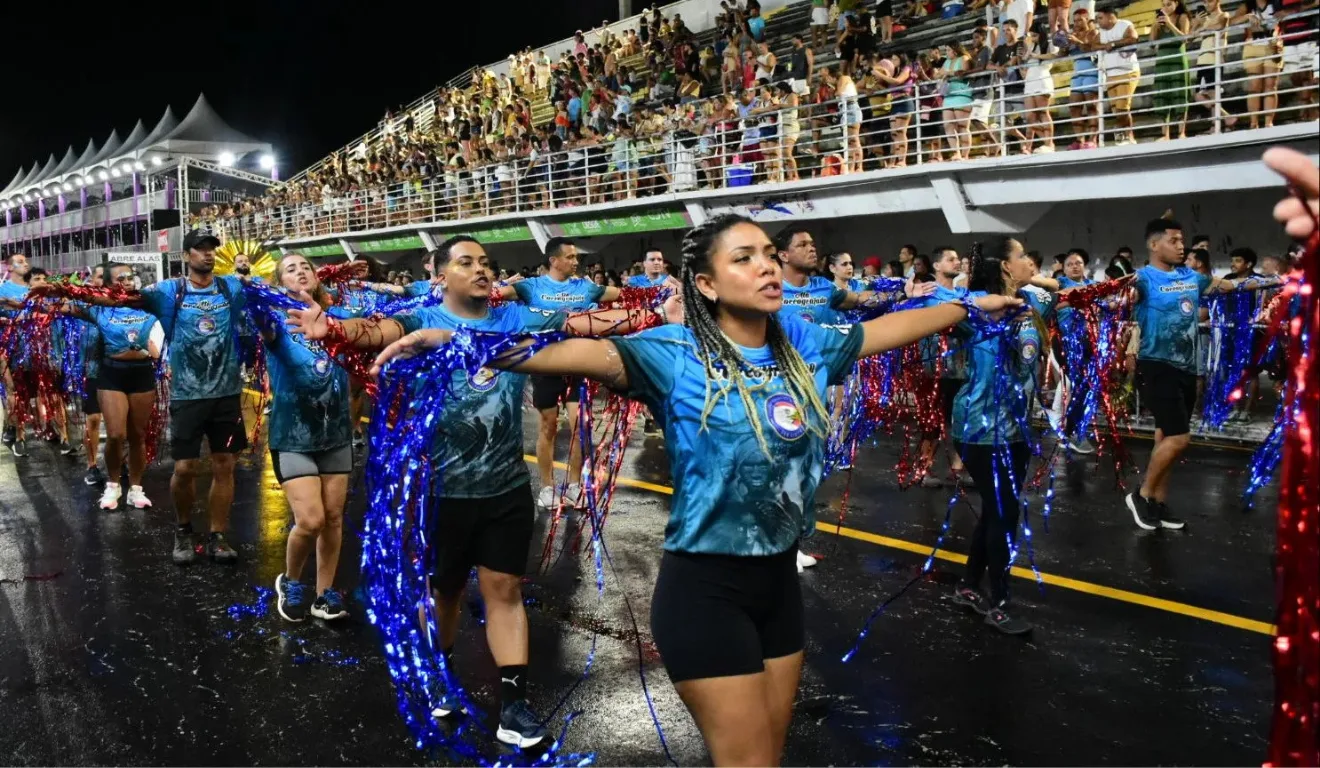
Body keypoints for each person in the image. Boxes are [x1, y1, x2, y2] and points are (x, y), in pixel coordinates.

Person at [361, 215, 1019, 766]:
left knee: (769, 754)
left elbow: (882, 332)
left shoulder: (806, 343)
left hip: (778, 592)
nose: (766, 266)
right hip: (705, 592)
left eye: (768, 253)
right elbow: (564, 352)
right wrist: (457, 340)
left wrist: (967, 305)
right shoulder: (671, 352)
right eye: (745, 258)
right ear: (704, 283)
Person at [288, 235, 666, 748]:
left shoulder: (515, 321)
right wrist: (333, 329)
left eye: (486, 262)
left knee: (504, 592)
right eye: (466, 262)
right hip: (441, 492)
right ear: (441, 275)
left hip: (506, 489)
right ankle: (437, 676)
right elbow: (375, 332)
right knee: (444, 593)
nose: (481, 270)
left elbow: (581, 325)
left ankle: (514, 705)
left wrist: (655, 310)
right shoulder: (422, 321)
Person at [1124, 218, 1280, 531]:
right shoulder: (1142, 279)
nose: (1182, 246)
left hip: (1187, 366)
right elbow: (1115, 298)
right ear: (1154, 245)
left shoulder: (1191, 277)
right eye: (1174, 241)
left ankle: (1157, 502)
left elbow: (1233, 285)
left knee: (1165, 435)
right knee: (1180, 437)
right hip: (1156, 364)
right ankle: (1140, 496)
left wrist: (1280, 281)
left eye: (1183, 241)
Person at [945, 236, 1053, 635]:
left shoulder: (1035, 300)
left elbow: (1068, 295)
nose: (1030, 261)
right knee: (1004, 513)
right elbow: (932, 308)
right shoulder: (974, 310)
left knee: (997, 509)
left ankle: (970, 587)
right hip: (978, 427)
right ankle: (1000, 603)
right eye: (1023, 255)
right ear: (1006, 267)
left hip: (1016, 428)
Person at [495, 237, 629, 509]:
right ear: (553, 260)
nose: (576, 262)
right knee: (549, 425)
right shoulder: (530, 287)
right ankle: (546, 488)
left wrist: (662, 291)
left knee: (581, 425)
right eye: (570, 257)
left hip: (577, 364)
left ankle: (574, 484)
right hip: (545, 364)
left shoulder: (586, 288)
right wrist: (499, 285)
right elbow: (491, 297)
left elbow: (624, 296)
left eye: (576, 257)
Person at [262, 253, 354, 623]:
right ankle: (292, 580)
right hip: (293, 436)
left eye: (306, 267)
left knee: (333, 519)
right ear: (280, 282)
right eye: (290, 269)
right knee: (311, 520)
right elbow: (258, 317)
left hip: (335, 434)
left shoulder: (339, 320)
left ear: (317, 277)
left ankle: (324, 593)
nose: (300, 271)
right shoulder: (275, 323)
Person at [63, 264, 164, 510]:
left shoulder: (148, 304)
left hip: (142, 375)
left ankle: (136, 489)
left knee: (138, 435)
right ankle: (113, 485)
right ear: (108, 284)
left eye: (131, 277)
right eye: (121, 278)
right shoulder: (99, 308)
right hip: (111, 375)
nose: (128, 281)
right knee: (116, 435)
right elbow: (64, 305)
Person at [918, 247, 969, 486]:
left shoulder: (965, 293)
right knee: (933, 420)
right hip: (933, 367)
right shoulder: (927, 292)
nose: (956, 262)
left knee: (962, 417)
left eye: (958, 259)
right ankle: (924, 468)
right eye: (951, 259)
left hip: (963, 366)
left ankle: (959, 469)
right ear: (937, 266)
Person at [1056, 249, 1097, 453]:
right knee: (1080, 387)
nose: (1074, 266)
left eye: (1078, 263)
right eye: (1070, 263)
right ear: (1063, 268)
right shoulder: (1061, 284)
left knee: (1089, 388)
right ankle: (1071, 432)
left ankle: (1075, 431)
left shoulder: (1092, 286)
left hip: (1092, 342)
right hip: (1070, 343)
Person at [1, 253, 34, 457]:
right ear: (10, 267)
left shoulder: (35, 288)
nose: (25, 264)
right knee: (13, 390)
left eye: (26, 261)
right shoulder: (3, 290)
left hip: (34, 347)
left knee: (31, 393)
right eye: (20, 262)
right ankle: (18, 434)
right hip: (9, 346)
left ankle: (12, 426)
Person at [1097, 8, 1141, 145]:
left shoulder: (1124, 24)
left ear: (1110, 17)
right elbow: (1092, 45)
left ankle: (1126, 134)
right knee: (1117, 109)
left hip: (1127, 70)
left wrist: (1114, 44)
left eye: (1100, 18)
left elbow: (1133, 38)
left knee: (1123, 107)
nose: (1098, 21)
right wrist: (1106, 46)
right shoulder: (1102, 32)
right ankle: (1127, 135)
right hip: (1110, 73)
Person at [1150, 0, 1192, 142]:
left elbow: (1185, 38)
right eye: (1164, 5)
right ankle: (1165, 134)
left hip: (1177, 58)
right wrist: (1156, 26)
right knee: (1163, 94)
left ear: (1176, 3)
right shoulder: (1159, 21)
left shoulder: (1182, 17)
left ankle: (1181, 132)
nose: (1166, 8)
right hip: (1162, 59)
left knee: (1180, 93)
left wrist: (1169, 23)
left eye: (1169, 4)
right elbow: (1152, 43)